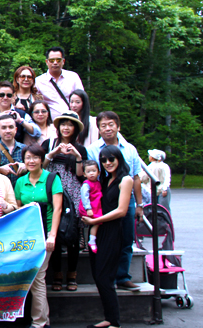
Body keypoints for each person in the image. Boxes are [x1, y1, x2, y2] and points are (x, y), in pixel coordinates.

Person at [86, 111, 143, 291]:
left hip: (127, 198)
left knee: (126, 238)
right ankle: (106, 276)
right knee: (106, 239)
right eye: (103, 125)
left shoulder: (130, 149)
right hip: (104, 198)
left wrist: (140, 204)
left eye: (111, 124)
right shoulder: (93, 149)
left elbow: (136, 177)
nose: (107, 128)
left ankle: (123, 277)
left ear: (118, 126)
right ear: (98, 129)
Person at [82, 145, 134, 328]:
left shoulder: (125, 179)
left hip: (112, 231)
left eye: (111, 159)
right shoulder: (104, 180)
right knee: (98, 276)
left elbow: (121, 211)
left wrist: (95, 220)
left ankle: (115, 322)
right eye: (103, 160)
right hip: (98, 230)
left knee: (105, 277)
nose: (107, 163)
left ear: (119, 158)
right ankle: (109, 318)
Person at [15, 144, 63, 328]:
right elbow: (18, 209)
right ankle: (43, 321)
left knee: (38, 277)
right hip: (28, 235)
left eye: (35, 157)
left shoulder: (52, 178)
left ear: (42, 159)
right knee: (36, 278)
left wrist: (52, 236)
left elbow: (57, 209)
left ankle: (39, 323)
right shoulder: (20, 182)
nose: (31, 161)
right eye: (28, 158)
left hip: (46, 233)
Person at [42, 111, 87, 292]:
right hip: (54, 189)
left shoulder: (80, 148)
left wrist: (78, 157)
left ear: (75, 128)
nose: (66, 128)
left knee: (73, 233)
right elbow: (41, 167)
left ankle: (72, 274)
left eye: (70, 125)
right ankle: (57, 274)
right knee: (55, 232)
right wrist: (53, 153)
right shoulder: (48, 144)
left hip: (73, 191)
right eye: (63, 124)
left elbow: (81, 175)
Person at [35, 46, 85, 120]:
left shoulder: (73, 77)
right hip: (49, 123)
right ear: (47, 62)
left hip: (72, 121)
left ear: (63, 61)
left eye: (58, 60)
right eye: (52, 60)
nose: (55, 63)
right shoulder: (38, 81)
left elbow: (82, 99)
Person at [0, 114, 27, 186]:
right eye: (4, 128)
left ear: (16, 130)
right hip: (0, 190)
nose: (8, 131)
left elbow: (37, 171)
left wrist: (27, 167)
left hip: (21, 190)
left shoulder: (25, 149)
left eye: (11, 127)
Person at [79, 160, 103, 252]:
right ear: (84, 174)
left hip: (96, 206)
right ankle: (91, 241)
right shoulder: (86, 184)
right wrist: (88, 208)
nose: (91, 173)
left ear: (98, 172)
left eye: (94, 171)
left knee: (98, 222)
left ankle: (92, 239)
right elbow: (84, 197)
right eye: (88, 172)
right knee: (96, 222)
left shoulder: (98, 183)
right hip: (90, 207)